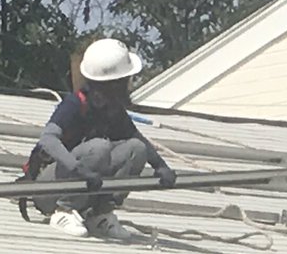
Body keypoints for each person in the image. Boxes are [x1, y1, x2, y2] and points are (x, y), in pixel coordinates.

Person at [24, 38, 176, 239]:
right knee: (99, 147)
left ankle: (100, 213)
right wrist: (78, 168)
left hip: (86, 188)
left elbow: (136, 138)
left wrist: (160, 166)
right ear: (116, 82)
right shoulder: (74, 105)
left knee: (135, 148)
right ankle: (64, 211)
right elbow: (48, 139)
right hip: (49, 191)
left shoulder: (112, 110)